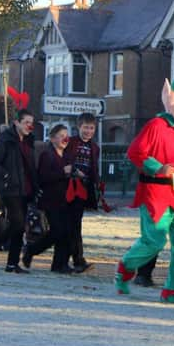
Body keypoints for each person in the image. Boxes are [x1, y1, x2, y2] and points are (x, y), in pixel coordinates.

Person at [114, 74, 174, 304]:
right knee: (154, 241)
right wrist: (158, 168)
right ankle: (126, 268)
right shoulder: (157, 125)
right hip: (156, 194)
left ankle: (173, 290)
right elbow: (135, 152)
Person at [0, 109, 38, 273]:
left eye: (31, 123)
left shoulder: (29, 142)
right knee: (17, 223)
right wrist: (5, 176)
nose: (29, 126)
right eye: (26, 122)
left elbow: (29, 166)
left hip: (25, 189)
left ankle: (11, 263)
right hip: (10, 189)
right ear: (17, 123)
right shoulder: (6, 141)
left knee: (19, 227)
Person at [22, 124, 74, 273]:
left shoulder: (66, 155)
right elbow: (43, 177)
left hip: (65, 200)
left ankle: (60, 264)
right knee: (57, 231)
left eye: (66, 135)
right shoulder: (47, 155)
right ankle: (32, 250)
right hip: (50, 201)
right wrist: (63, 172)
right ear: (52, 139)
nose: (65, 138)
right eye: (61, 135)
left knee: (66, 232)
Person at [65, 112, 100, 273]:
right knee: (68, 226)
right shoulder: (71, 143)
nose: (88, 131)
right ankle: (76, 259)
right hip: (68, 187)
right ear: (79, 127)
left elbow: (93, 170)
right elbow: (62, 161)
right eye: (85, 127)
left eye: (91, 128)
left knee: (75, 225)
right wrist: (73, 171)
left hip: (82, 190)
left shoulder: (94, 147)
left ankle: (77, 259)